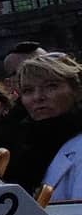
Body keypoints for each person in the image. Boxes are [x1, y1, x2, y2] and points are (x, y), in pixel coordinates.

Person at [8, 53, 82, 194]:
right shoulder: (20, 148)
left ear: (76, 91)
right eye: (28, 90)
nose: (38, 97)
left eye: (51, 86)